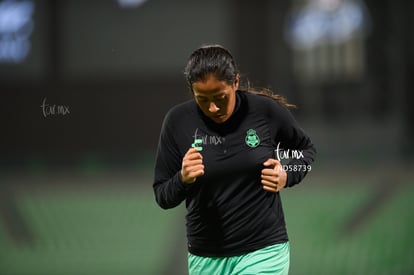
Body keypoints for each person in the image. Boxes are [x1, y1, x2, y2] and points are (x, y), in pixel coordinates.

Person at [153, 44, 316, 275]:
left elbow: (304, 150)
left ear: (236, 83)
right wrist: (182, 178)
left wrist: (286, 174)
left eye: (220, 97)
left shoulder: (264, 111)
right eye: (202, 99)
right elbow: (162, 194)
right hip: (205, 257)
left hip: (264, 250)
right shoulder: (177, 121)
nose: (212, 107)